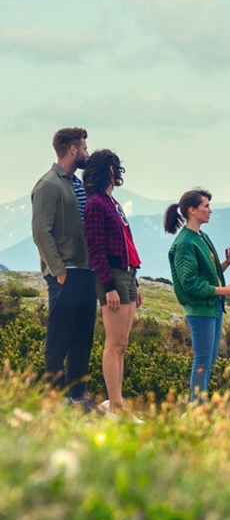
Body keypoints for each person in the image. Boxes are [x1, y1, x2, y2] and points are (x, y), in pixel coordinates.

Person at [30, 126, 97, 409]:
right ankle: (54, 401)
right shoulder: (48, 185)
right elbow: (40, 232)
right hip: (64, 274)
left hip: (86, 273)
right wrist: (58, 271)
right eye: (83, 148)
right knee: (58, 339)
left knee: (83, 338)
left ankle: (77, 396)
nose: (86, 152)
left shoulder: (77, 183)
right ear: (72, 149)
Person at [164, 189, 230, 401]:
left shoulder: (201, 237)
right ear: (192, 210)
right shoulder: (185, 243)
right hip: (200, 309)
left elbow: (207, 275)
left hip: (212, 307)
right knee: (202, 362)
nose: (210, 210)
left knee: (208, 361)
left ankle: (199, 407)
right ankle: (197, 410)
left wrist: (226, 263)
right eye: (206, 206)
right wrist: (224, 290)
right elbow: (190, 284)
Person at [83, 150, 143, 416]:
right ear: (109, 169)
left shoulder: (112, 202)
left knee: (123, 343)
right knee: (114, 343)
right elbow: (95, 248)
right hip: (114, 276)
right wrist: (108, 286)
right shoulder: (96, 203)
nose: (119, 170)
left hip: (128, 273)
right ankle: (116, 405)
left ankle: (117, 402)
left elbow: (126, 243)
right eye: (115, 166)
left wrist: (136, 281)